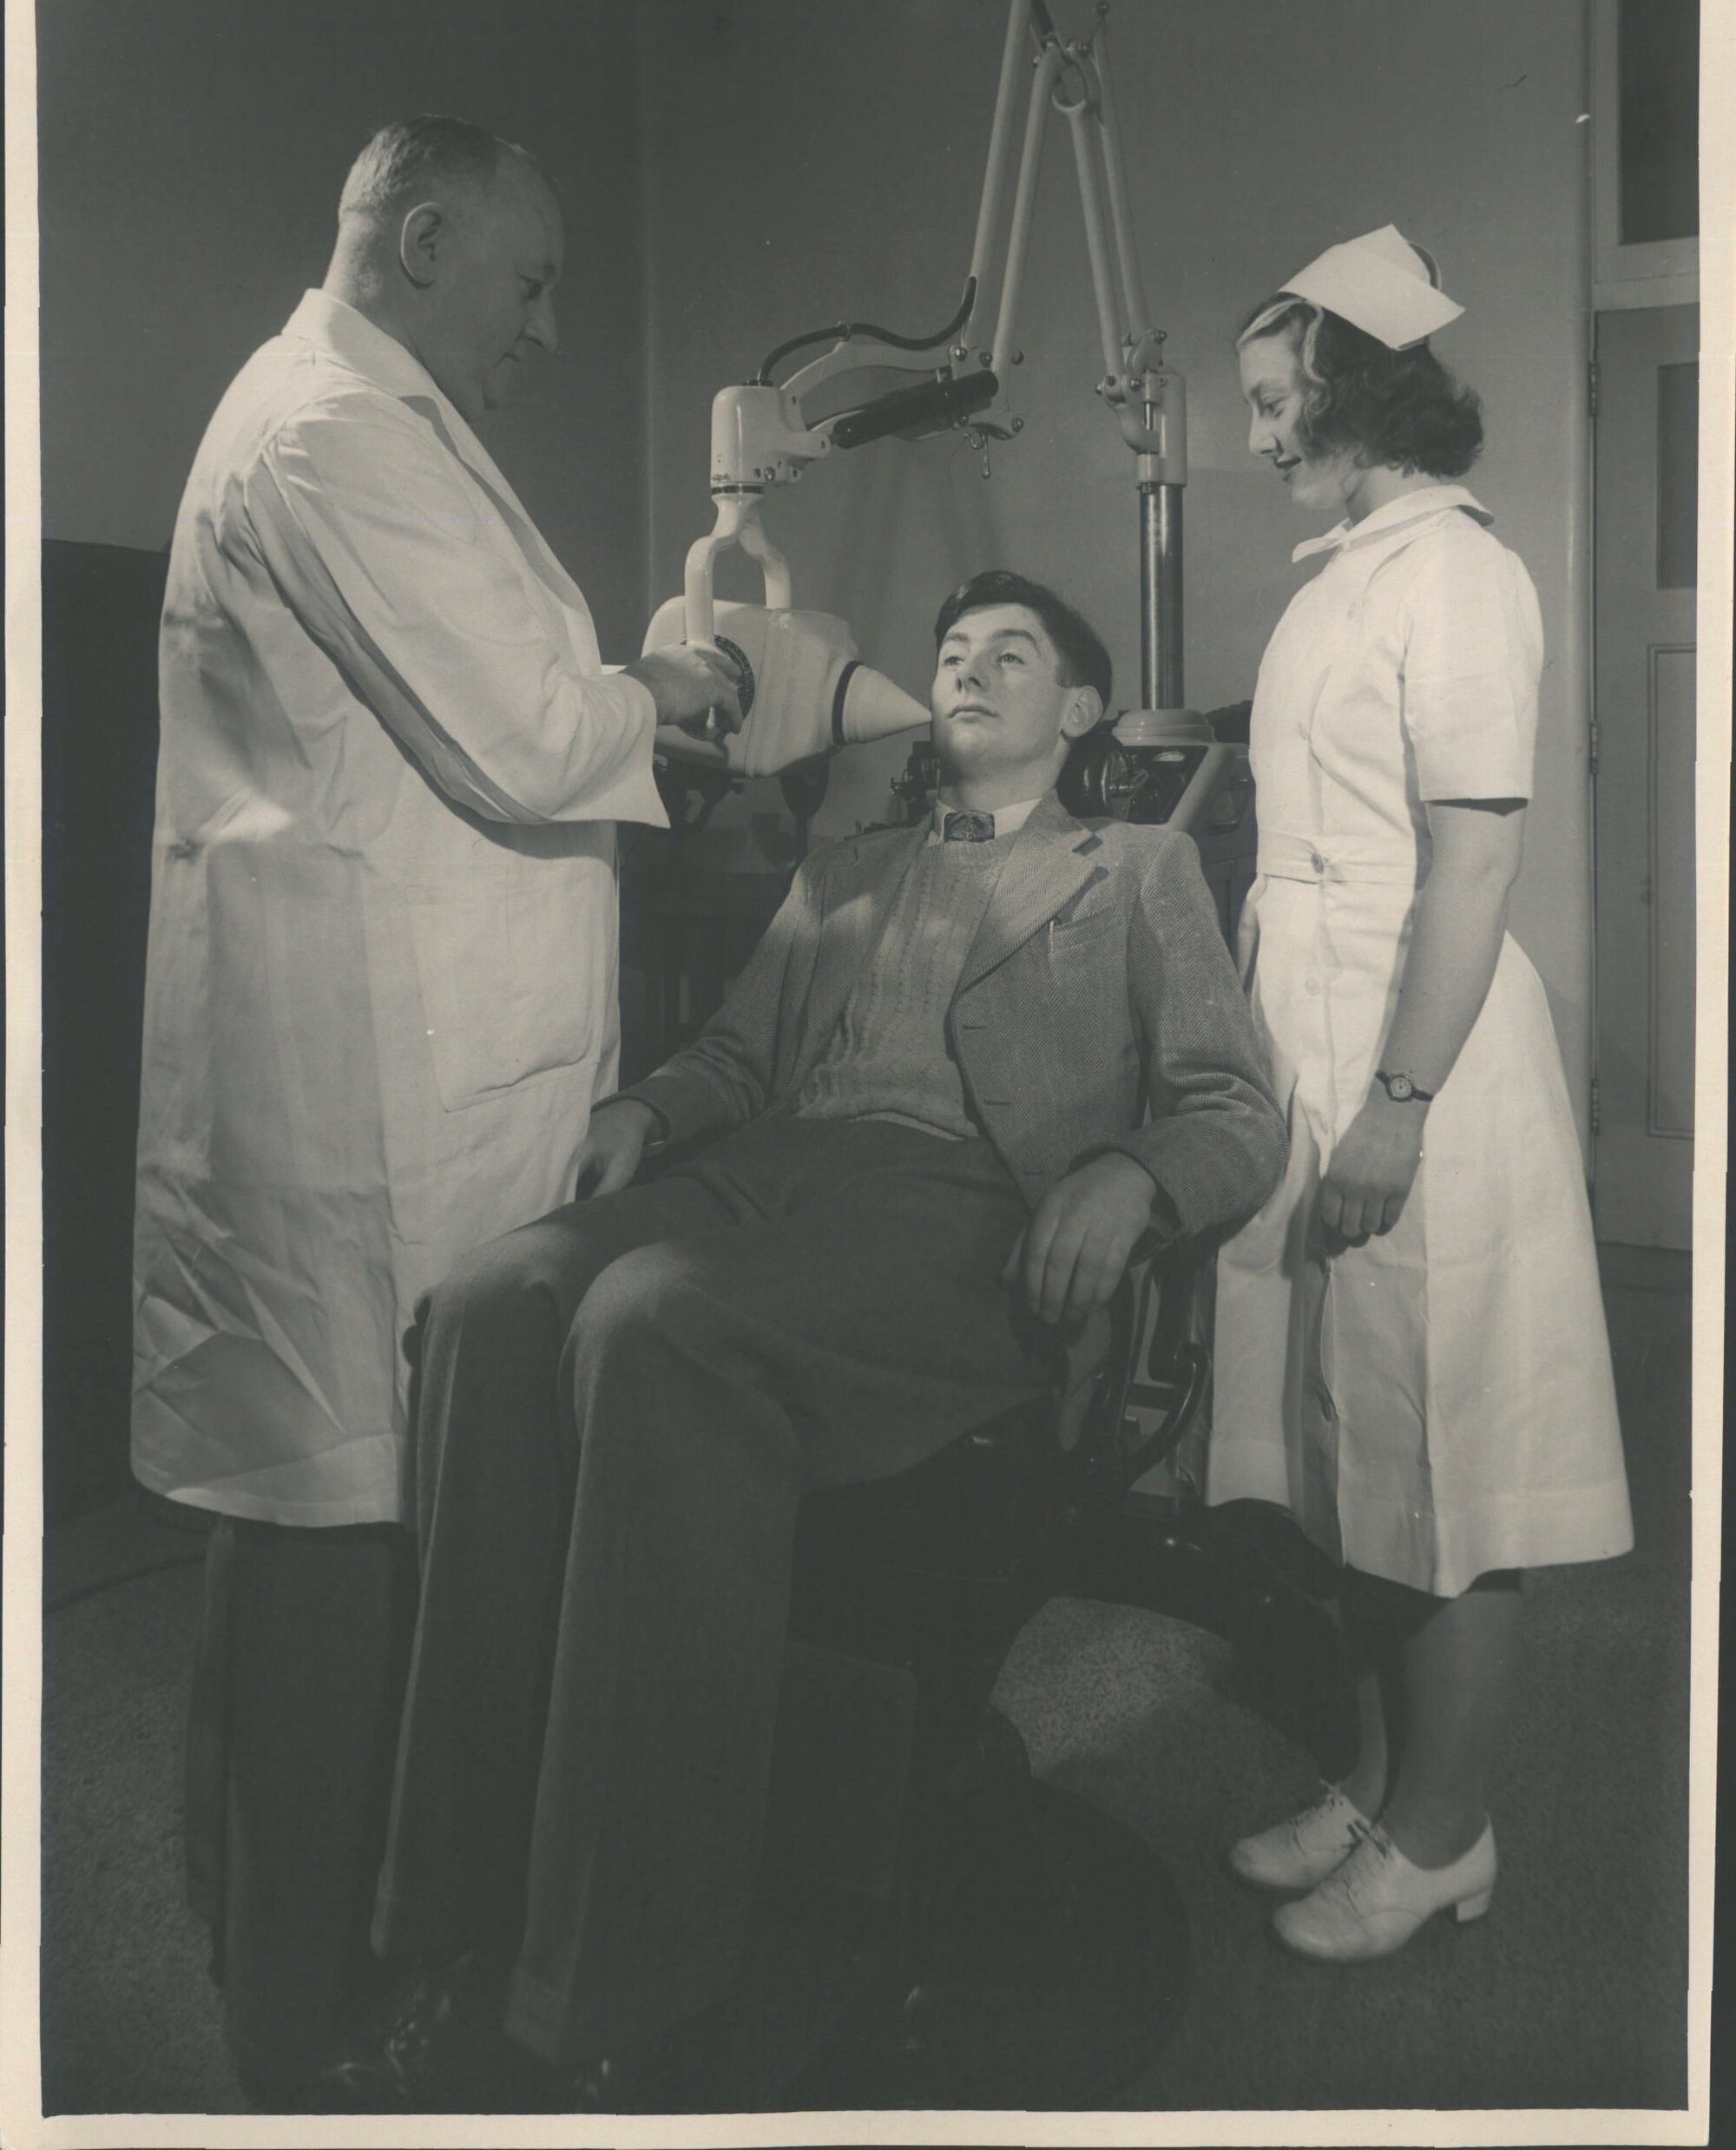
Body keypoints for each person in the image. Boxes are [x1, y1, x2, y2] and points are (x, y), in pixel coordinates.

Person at [326, 569, 1287, 2112]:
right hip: (768, 1176)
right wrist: (647, 1107)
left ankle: (611, 1978)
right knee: (493, 1304)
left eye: (1011, 655)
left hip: (964, 1222)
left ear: (1082, 711)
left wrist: (1131, 1171)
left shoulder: (1136, 872)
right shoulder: (849, 860)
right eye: (953, 649)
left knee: (654, 1325)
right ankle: (450, 1905)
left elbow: (1238, 1108)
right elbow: (732, 1052)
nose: (969, 668)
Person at [130, 115, 742, 2101]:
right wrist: (688, 673)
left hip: (392, 1065)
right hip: (366, 1098)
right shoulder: (327, 431)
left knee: (322, 1524)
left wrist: (626, 681)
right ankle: (297, 2018)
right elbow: (525, 728)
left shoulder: (359, 406)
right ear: (415, 239)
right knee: (333, 1541)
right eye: (530, 280)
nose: (550, 326)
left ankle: (279, 1938)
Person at [1205, 227, 1634, 1961]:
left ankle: (1446, 1834)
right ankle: (1382, 1788)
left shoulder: (1458, 576)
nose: (1248, 435)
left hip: (1420, 1054)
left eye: (1263, 398)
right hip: (1318, 1039)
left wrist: (1394, 1101)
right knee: (1349, 1449)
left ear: (1343, 385)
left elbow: (1468, 869)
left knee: (1446, 1459)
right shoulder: (1348, 573)